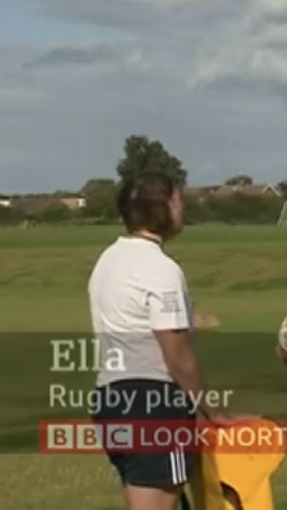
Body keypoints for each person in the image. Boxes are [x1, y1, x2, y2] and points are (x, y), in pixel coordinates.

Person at [88, 171, 243, 510]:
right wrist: (211, 410)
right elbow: (175, 355)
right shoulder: (161, 269)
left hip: (110, 400)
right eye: (178, 199)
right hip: (154, 405)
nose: (182, 207)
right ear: (162, 207)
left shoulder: (108, 260)